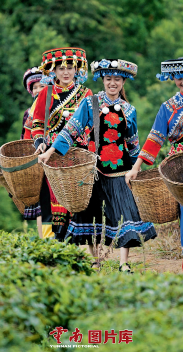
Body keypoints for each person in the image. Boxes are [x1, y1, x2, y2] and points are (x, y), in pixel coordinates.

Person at [38, 59, 157, 273]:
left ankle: (123, 263)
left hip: (121, 169)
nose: (113, 83)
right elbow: (71, 130)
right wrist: (50, 151)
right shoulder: (90, 103)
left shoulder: (130, 110)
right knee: (89, 214)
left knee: (125, 213)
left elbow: (133, 142)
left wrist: (136, 168)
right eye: (109, 79)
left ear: (123, 82)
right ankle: (95, 260)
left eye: (117, 79)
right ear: (102, 80)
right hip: (94, 169)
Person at [125, 57, 183, 275]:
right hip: (179, 173)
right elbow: (154, 139)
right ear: (172, 78)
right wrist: (137, 167)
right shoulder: (167, 108)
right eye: (179, 77)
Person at [27, 48, 93, 241]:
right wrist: (39, 141)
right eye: (61, 68)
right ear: (53, 71)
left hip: (78, 154)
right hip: (52, 155)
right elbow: (37, 123)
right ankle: (55, 243)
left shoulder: (85, 93)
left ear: (77, 69)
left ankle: (80, 245)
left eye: (70, 68)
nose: (66, 72)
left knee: (78, 198)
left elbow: (91, 124)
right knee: (54, 199)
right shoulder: (46, 93)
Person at [21, 67, 54, 239]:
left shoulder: (53, 106)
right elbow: (24, 139)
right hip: (36, 163)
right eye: (34, 87)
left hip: (53, 158)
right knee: (42, 204)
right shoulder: (28, 113)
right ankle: (44, 240)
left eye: (42, 86)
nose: (38, 90)